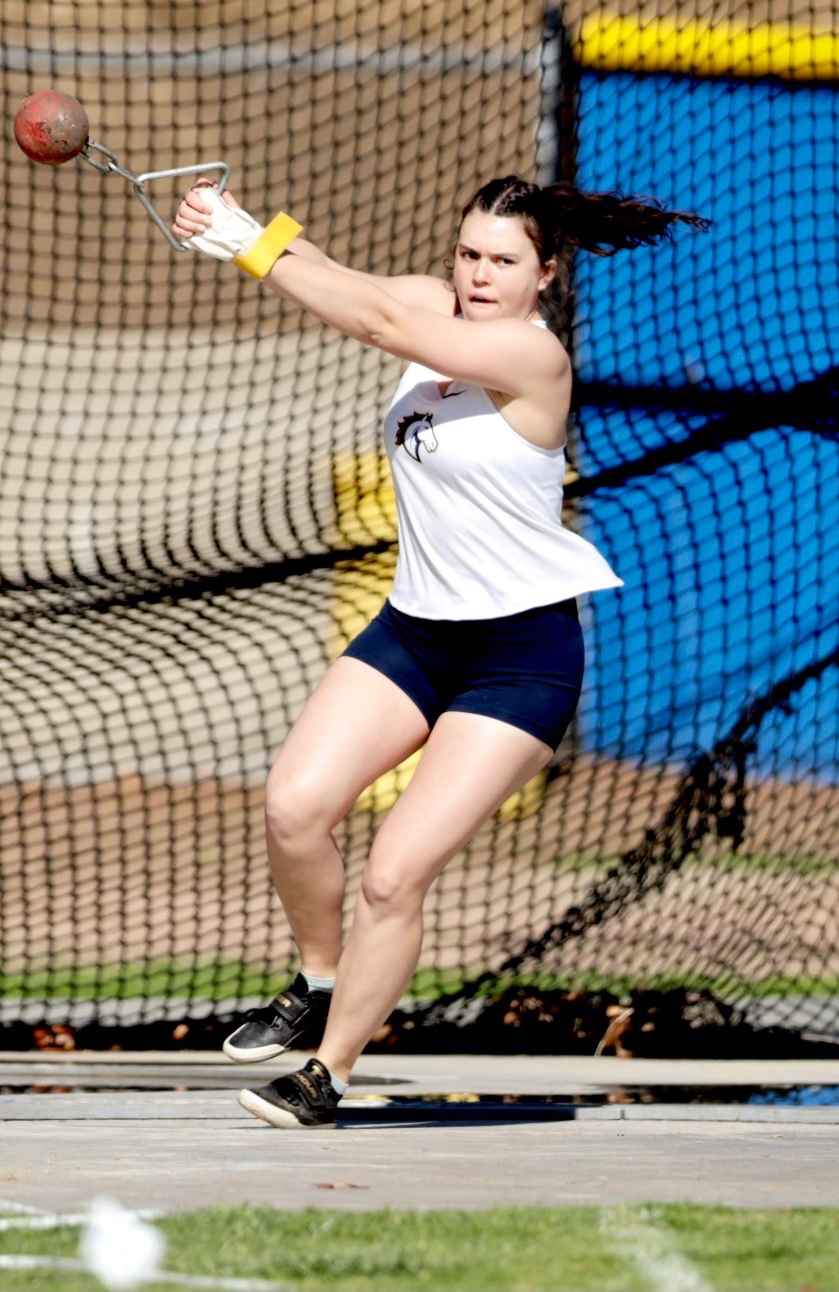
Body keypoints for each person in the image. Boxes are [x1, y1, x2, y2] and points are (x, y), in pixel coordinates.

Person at [171, 173, 705, 1128]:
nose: (480, 273)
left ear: (546, 274)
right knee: (294, 807)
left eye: (504, 260)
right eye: (469, 253)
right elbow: (343, 280)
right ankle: (319, 979)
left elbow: (377, 323)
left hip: (520, 657)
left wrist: (253, 245)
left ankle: (326, 1072)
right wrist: (236, 231)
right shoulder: (433, 302)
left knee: (392, 872)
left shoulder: (527, 355)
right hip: (416, 630)